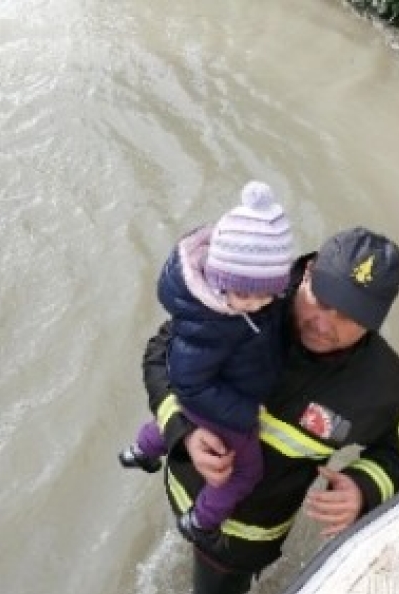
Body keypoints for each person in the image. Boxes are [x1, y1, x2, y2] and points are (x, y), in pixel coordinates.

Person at [141, 226, 399, 594]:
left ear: (377, 321)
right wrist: (181, 430)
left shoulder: (383, 387)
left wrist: (364, 488)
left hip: (240, 539)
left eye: (349, 318)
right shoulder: (241, 304)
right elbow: (160, 352)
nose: (324, 325)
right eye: (322, 301)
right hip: (181, 481)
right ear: (308, 272)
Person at [120, 180, 295, 545]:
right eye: (246, 295)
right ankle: (201, 520)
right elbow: (188, 384)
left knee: (165, 424)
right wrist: (244, 414)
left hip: (208, 397)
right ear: (218, 282)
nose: (257, 305)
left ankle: (141, 450)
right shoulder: (210, 326)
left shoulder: (231, 308)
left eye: (267, 295)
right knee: (245, 472)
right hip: (222, 404)